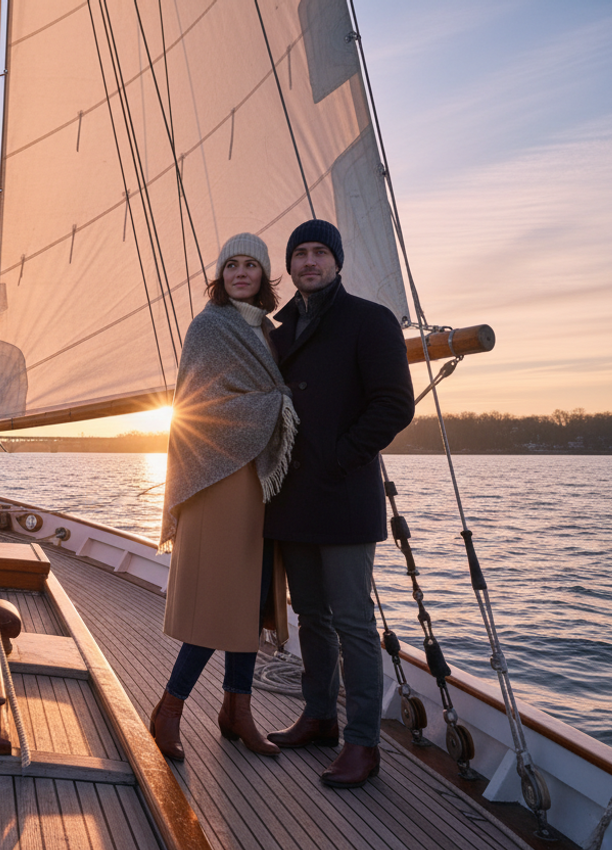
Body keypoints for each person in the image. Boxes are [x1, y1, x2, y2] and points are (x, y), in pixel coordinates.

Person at [264, 219, 414, 788]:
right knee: (312, 617)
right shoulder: (280, 331)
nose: (308, 262)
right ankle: (320, 716)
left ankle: (363, 743)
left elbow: (395, 405)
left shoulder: (368, 321)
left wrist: (338, 455)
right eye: (299, 253)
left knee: (353, 621)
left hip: (344, 494)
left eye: (319, 252)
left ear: (337, 260)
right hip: (293, 500)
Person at [150, 233, 298, 762]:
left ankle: (237, 710)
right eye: (231, 264)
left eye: (250, 264)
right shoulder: (210, 327)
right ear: (220, 274)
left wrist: (275, 404)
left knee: (251, 598)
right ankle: (169, 708)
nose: (240, 272)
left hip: (260, 476)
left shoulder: (270, 332)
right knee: (219, 601)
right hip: (218, 475)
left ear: (263, 275)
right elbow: (197, 403)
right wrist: (273, 404)